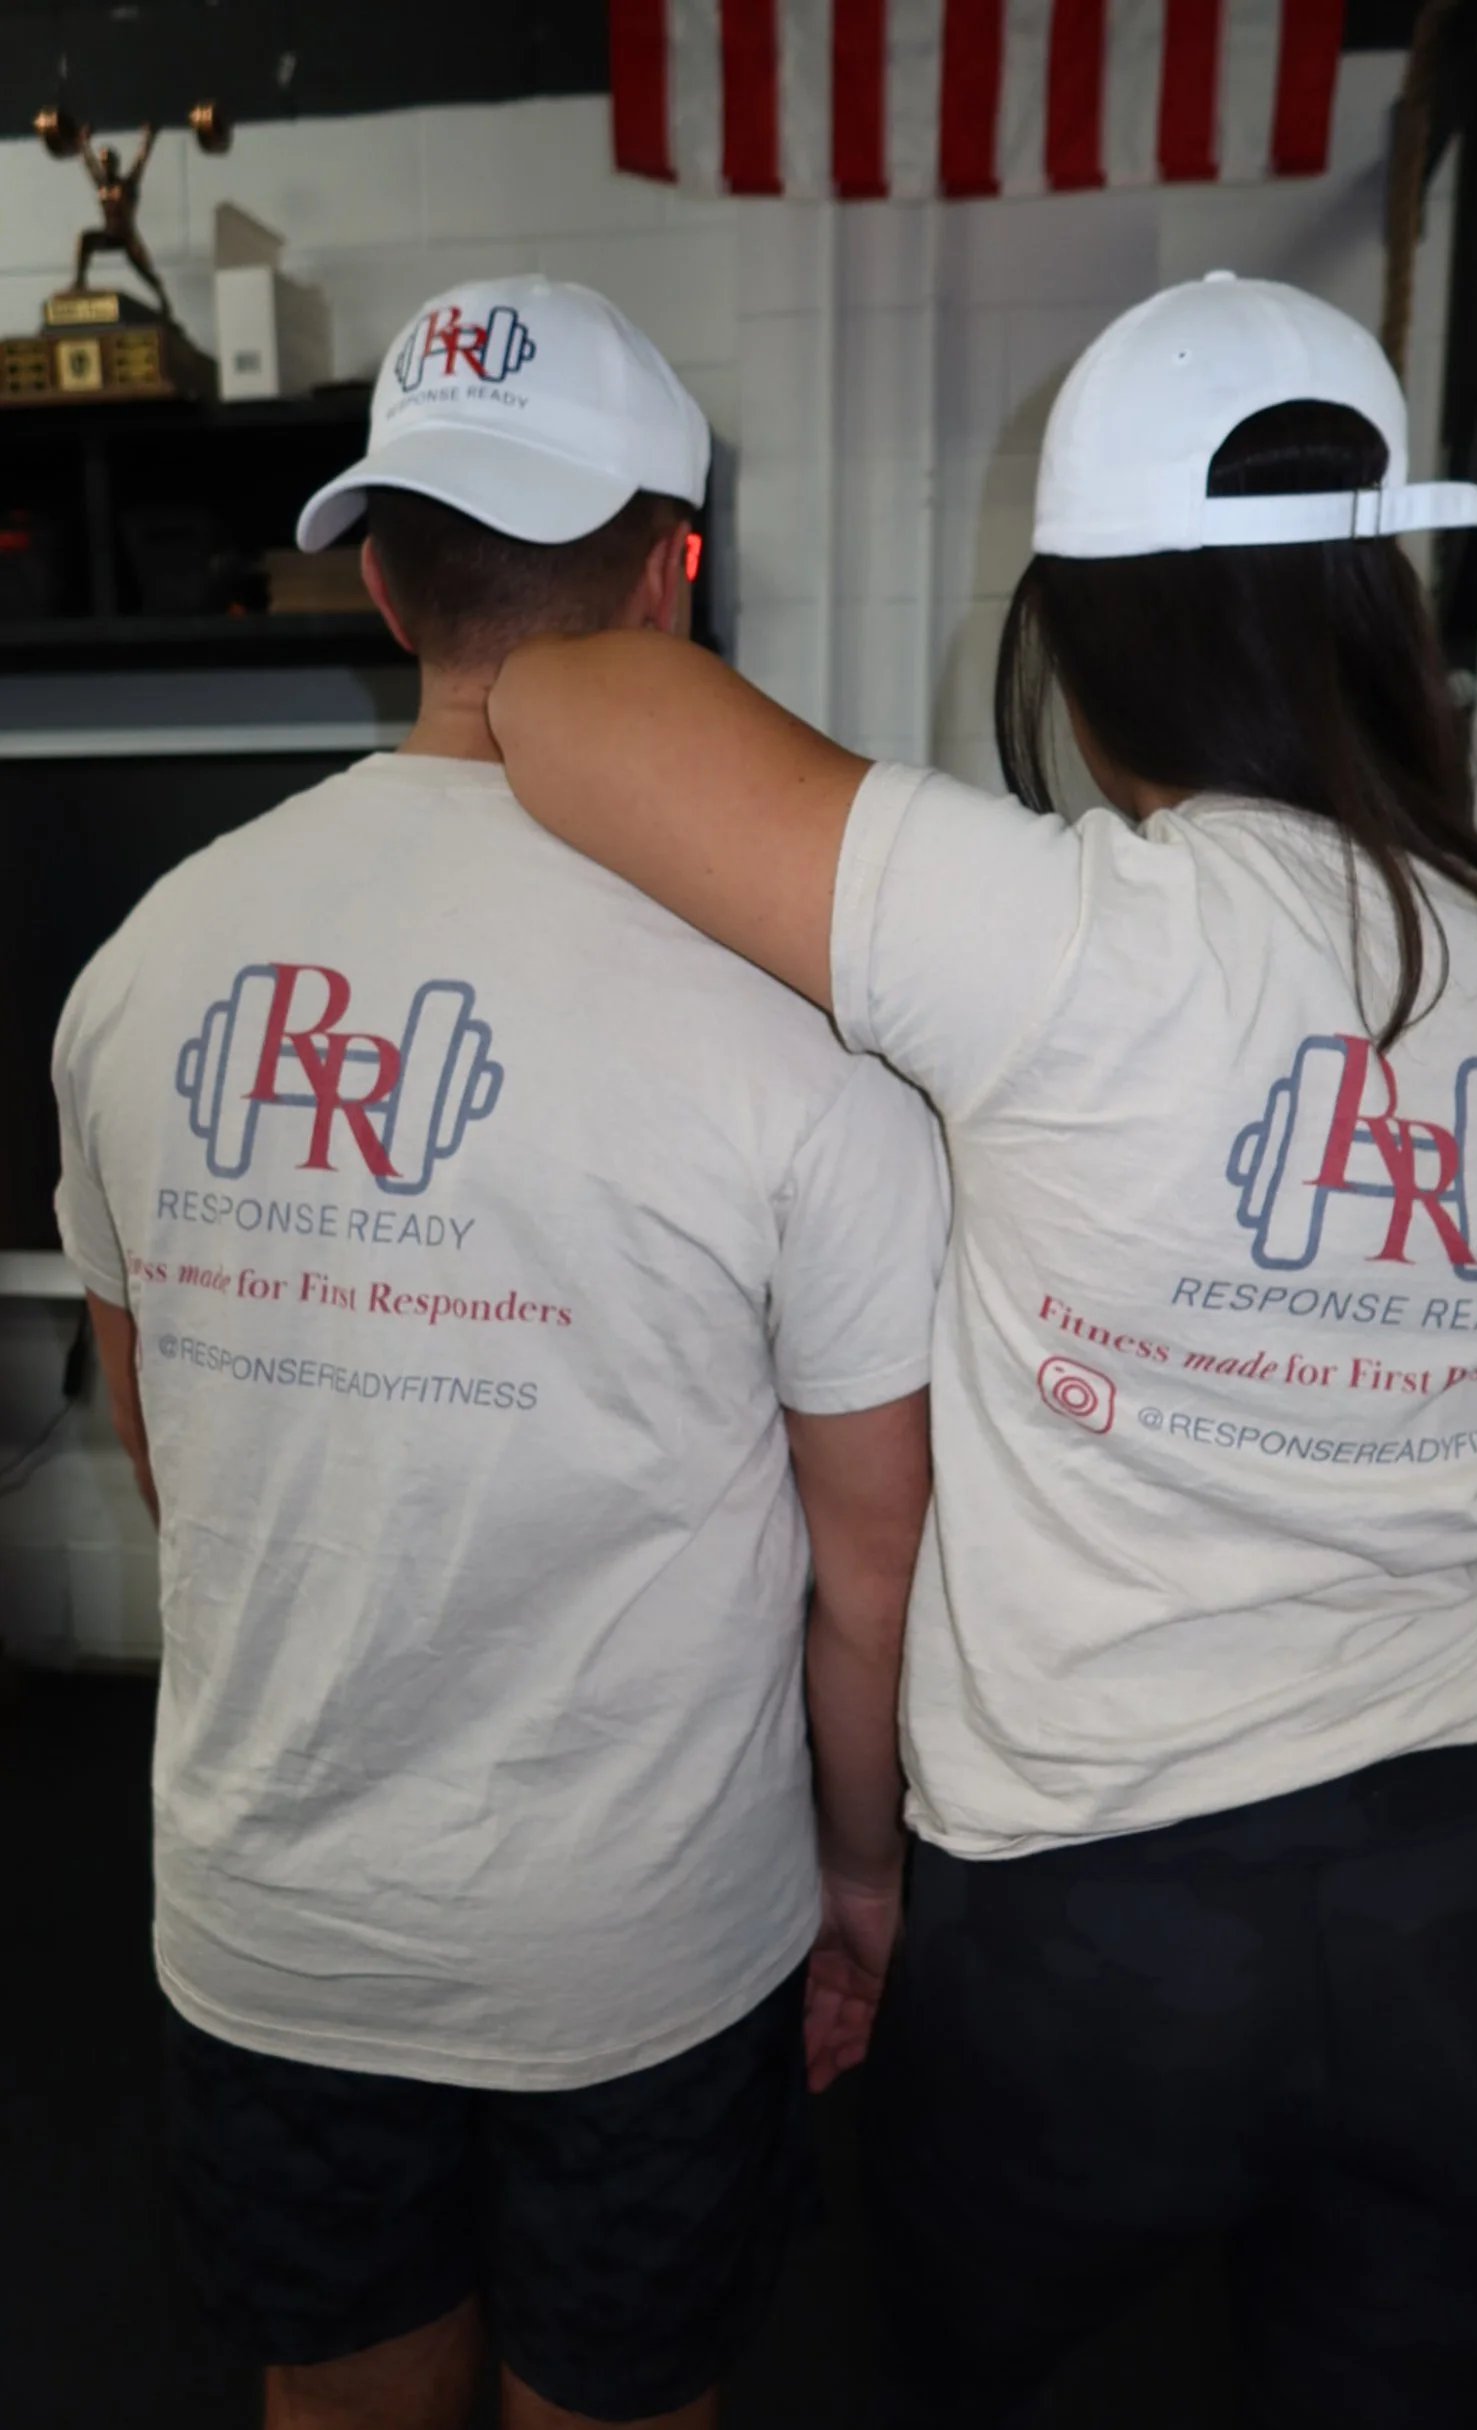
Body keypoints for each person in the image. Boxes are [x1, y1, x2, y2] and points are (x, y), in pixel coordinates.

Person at [487, 272, 1477, 2430]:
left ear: (1085, 640)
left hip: (1112, 1924)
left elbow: (563, 696)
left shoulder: (1066, 941)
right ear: (1384, 605)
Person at [51, 274, 946, 2430]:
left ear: (375, 575)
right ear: (676, 571)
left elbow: (169, 1444)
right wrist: (862, 1878)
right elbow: (868, 1579)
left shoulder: (144, 962)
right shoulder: (804, 1024)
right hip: (644, 1944)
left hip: (279, 1923)